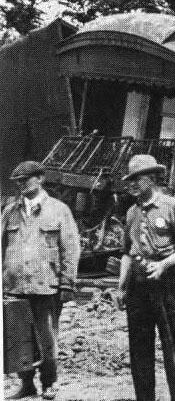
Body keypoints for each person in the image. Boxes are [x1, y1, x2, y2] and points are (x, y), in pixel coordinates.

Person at [117, 155, 175, 401]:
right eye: (128, 179)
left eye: (136, 179)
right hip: (138, 287)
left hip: (167, 284)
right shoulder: (132, 212)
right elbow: (126, 253)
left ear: (152, 179)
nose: (131, 184)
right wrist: (121, 288)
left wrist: (163, 264)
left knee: (171, 345)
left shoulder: (172, 207)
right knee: (139, 348)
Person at [2, 161, 80, 400]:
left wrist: (67, 283)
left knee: (47, 339)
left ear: (41, 179)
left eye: (26, 179)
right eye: (18, 181)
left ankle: (49, 383)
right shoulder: (9, 211)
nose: (21, 184)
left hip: (46, 286)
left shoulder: (59, 210)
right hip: (15, 286)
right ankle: (26, 384)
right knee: (18, 337)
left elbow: (70, 248)